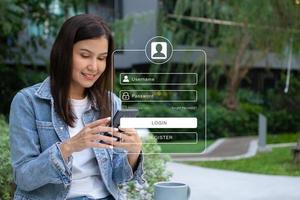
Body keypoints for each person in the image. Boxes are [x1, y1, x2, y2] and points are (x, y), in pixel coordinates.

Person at [9, 14, 144, 200]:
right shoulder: (28, 102)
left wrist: (133, 151)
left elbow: (117, 177)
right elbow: (24, 178)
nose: (94, 67)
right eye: (85, 55)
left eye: (102, 58)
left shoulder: (111, 102)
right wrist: (70, 146)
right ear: (64, 52)